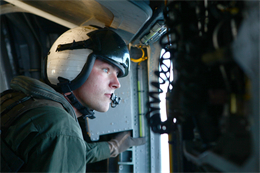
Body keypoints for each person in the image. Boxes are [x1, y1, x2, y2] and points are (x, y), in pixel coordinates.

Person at [0, 26, 145, 172]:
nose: (117, 84)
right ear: (73, 67)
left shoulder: (25, 101)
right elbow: (65, 142)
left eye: (117, 73)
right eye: (106, 70)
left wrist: (113, 147)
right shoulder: (61, 128)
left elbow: (72, 151)